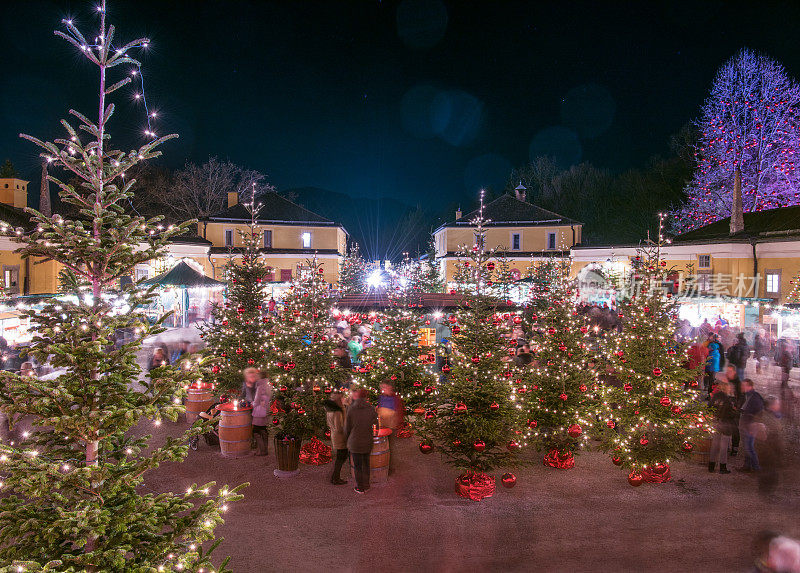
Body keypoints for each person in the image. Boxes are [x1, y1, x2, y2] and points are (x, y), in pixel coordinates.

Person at [344, 387, 376, 494]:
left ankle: (360, 487)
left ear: (357, 396)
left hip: (355, 441)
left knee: (357, 466)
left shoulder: (351, 409)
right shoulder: (371, 408)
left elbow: (347, 427)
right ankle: (366, 485)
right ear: (366, 396)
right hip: (367, 440)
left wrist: (346, 439)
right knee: (366, 464)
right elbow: (375, 423)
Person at [754, 395, 784, 498]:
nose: (778, 405)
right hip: (767, 451)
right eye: (777, 403)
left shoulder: (771, 416)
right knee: (769, 473)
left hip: (771, 450)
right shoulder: (765, 417)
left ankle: (769, 492)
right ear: (771, 405)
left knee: (772, 473)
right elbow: (764, 436)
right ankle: (766, 493)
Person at [708, 379, 736, 474]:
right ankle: (722, 467)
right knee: (724, 447)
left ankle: (711, 466)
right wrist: (735, 411)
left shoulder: (715, 396)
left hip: (716, 422)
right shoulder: (728, 400)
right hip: (726, 424)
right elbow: (730, 414)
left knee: (715, 445)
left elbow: (709, 407)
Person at [377, 382, 404, 475]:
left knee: (389, 447)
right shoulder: (381, 397)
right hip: (382, 425)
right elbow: (379, 409)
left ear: (390, 387)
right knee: (381, 446)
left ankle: (389, 467)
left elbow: (399, 413)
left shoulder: (395, 399)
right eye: (382, 387)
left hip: (391, 426)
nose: (383, 389)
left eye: (385, 387)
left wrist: (399, 425)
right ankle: (380, 463)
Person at [739, 378, 764, 473]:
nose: (742, 387)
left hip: (750, 426)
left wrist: (752, 424)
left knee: (749, 447)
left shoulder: (755, 397)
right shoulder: (748, 396)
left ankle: (756, 468)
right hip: (747, 425)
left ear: (750, 386)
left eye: (744, 385)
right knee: (747, 446)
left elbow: (758, 412)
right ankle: (747, 466)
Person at [324, 392, 348, 485]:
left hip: (334, 435)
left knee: (340, 457)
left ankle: (335, 477)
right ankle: (335, 478)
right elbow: (339, 428)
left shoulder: (330, 409)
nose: (344, 399)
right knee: (341, 457)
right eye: (342, 398)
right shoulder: (337, 412)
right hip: (340, 437)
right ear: (339, 400)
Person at [250, 374, 272, 456]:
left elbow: (256, 400)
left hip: (258, 411)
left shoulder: (260, 386)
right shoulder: (268, 385)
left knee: (256, 431)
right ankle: (265, 449)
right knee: (263, 430)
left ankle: (262, 450)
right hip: (265, 410)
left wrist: (252, 404)